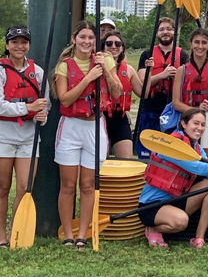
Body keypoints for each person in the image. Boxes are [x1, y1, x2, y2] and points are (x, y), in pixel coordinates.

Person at [53, 20, 122, 250]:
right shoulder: (65, 65)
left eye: (91, 38)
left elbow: (117, 91)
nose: (87, 42)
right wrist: (88, 77)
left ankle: (83, 233)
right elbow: (65, 99)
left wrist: (106, 72)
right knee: (68, 185)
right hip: (71, 127)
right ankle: (68, 234)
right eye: (82, 37)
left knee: (88, 184)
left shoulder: (106, 60)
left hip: (95, 126)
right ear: (74, 39)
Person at [140, 108, 208, 248]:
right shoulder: (172, 145)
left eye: (203, 125)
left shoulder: (196, 146)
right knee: (181, 221)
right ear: (184, 124)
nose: (200, 128)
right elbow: (197, 168)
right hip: (152, 205)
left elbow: (207, 166)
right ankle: (153, 229)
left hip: (176, 200)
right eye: (195, 123)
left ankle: (198, 238)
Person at [0, 26, 49, 248]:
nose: (19, 46)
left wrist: (42, 114)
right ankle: (1, 236)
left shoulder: (38, 72)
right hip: (3, 134)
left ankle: (16, 232)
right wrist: (28, 107)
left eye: (24, 42)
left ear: (29, 45)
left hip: (29, 136)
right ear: (7, 45)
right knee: (2, 187)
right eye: (14, 42)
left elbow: (45, 104)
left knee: (24, 187)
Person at [172, 28, 208, 161]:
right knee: (189, 162)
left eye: (204, 43)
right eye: (196, 42)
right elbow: (176, 103)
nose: (200, 46)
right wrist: (197, 111)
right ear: (191, 44)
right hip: (189, 120)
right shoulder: (182, 70)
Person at [136, 17, 189, 159]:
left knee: (170, 152)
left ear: (174, 32)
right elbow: (142, 82)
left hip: (173, 108)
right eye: (162, 29)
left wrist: (175, 77)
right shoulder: (147, 55)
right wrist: (162, 75)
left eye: (169, 29)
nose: (165, 32)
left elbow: (187, 82)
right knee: (147, 151)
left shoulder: (182, 55)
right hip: (150, 108)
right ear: (157, 33)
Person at [101, 29, 150, 159]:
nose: (113, 47)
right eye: (109, 44)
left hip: (120, 118)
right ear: (103, 47)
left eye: (117, 44)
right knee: (100, 163)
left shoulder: (128, 70)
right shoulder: (96, 69)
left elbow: (143, 94)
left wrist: (148, 72)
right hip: (100, 117)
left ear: (122, 48)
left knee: (125, 161)